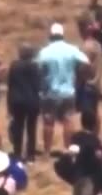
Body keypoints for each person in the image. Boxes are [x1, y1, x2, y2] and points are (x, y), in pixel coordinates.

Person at [37, 23, 89, 154]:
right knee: (68, 121)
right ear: (62, 35)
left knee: (48, 122)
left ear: (51, 36)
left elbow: (37, 67)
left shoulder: (45, 51)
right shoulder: (72, 49)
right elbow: (86, 62)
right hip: (68, 92)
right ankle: (67, 148)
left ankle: (47, 151)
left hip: (50, 92)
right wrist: (79, 76)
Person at [6, 44, 42, 161]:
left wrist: (8, 104)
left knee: (18, 127)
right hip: (32, 100)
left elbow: (10, 85)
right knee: (32, 128)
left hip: (17, 100)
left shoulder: (14, 66)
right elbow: (38, 85)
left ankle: (17, 153)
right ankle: (31, 155)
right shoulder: (35, 66)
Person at [68, 110, 102, 195]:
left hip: (77, 174)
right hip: (89, 177)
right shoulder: (95, 140)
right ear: (94, 124)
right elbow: (98, 159)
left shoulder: (76, 137)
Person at [76, 17, 102, 123]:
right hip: (96, 84)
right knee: (95, 113)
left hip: (87, 85)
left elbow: (82, 67)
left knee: (87, 117)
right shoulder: (97, 44)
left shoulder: (86, 47)